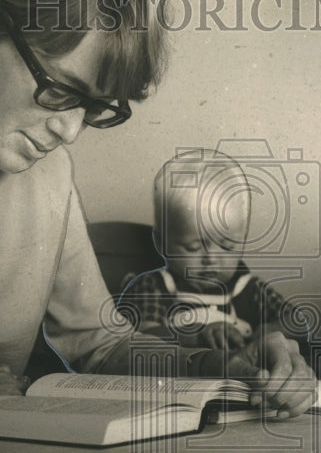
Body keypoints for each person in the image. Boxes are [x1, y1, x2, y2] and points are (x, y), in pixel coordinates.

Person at [0, 0, 315, 436]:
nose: (70, 131)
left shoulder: (50, 173)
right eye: (60, 90)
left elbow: (101, 345)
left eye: (95, 107)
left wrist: (220, 368)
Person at [118, 149, 305, 350]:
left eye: (227, 246)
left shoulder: (250, 289)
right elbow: (143, 336)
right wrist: (195, 336)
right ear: (161, 242)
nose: (211, 259)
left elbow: (298, 323)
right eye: (194, 247)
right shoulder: (154, 287)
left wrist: (268, 331)